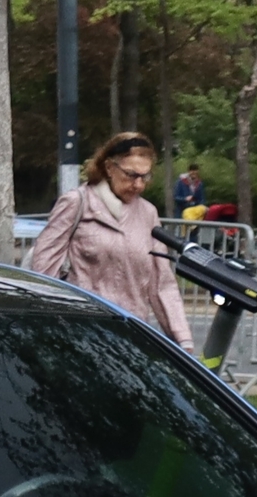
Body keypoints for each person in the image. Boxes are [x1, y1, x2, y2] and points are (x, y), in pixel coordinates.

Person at [32, 131, 194, 346]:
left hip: (131, 333)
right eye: (131, 175)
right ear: (109, 168)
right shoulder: (76, 203)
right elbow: (43, 271)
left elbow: (161, 282)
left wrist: (183, 340)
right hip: (80, 332)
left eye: (144, 176)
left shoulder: (148, 213)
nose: (138, 185)